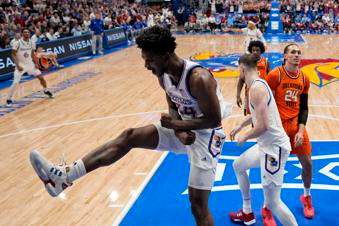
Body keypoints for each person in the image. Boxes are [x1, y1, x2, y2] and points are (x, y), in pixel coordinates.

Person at [29, 26, 232, 226]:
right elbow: (173, 107)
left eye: (149, 59)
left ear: (166, 55)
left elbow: (214, 120)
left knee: (197, 205)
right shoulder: (164, 76)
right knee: (130, 136)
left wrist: (177, 125)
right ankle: (64, 178)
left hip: (206, 136)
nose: (146, 65)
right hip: (184, 129)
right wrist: (178, 131)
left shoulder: (199, 79)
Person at [228, 53, 297, 226]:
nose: (239, 72)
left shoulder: (256, 89)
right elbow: (256, 114)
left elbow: (262, 126)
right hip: (266, 146)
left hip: (274, 149)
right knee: (238, 165)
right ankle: (247, 212)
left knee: (274, 203)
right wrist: (240, 125)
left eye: (238, 69)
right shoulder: (259, 83)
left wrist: (244, 137)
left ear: (242, 68)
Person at [265, 43, 314, 220]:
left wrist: (301, 130)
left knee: (307, 164)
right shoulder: (275, 75)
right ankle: (267, 207)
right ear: (285, 56)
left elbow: (305, 108)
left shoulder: (304, 79)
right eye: (293, 52)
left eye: (299, 53)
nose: (297, 55)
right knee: (272, 170)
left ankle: (307, 196)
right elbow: (265, 104)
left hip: (296, 128)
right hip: (278, 129)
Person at [6, 28, 53, 106]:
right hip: (21, 65)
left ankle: (46, 90)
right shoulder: (17, 43)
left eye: (28, 32)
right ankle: (8, 99)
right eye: (25, 32)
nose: (27, 33)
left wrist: (36, 63)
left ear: (29, 34)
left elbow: (32, 54)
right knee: (15, 83)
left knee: (41, 78)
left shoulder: (32, 42)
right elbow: (13, 54)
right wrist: (17, 65)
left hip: (30, 64)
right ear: (22, 34)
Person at [236, 40, 270, 115]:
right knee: (252, 116)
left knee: (261, 116)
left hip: (262, 93)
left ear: (261, 51)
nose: (255, 52)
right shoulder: (247, 63)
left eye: (257, 50)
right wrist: (238, 95)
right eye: (253, 50)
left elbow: (270, 78)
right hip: (249, 93)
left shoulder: (266, 62)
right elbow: (241, 80)